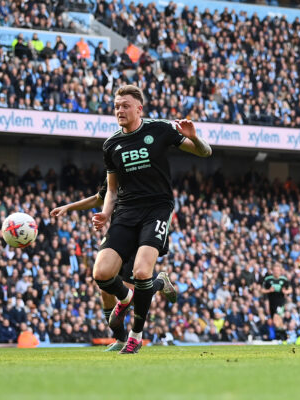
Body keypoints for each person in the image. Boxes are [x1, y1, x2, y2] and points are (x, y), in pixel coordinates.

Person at [91, 84, 211, 354]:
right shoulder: (111, 145)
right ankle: (145, 289)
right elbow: (111, 189)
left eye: (125, 105)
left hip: (157, 208)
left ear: (139, 108)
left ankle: (136, 334)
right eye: (116, 106)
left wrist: (195, 136)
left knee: (141, 272)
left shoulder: (160, 129)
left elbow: (205, 153)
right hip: (125, 212)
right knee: (101, 273)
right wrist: (105, 213)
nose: (119, 110)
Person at [51, 179, 177, 351]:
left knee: (131, 296)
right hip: (121, 233)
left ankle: (160, 282)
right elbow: (99, 197)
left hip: (142, 236)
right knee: (105, 289)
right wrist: (68, 207)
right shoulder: (117, 167)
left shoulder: (147, 172)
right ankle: (120, 339)